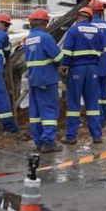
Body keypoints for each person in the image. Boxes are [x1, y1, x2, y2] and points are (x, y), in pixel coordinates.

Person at [60, 7, 104, 144]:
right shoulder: (98, 30)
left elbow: (67, 52)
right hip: (92, 69)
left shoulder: (74, 30)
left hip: (76, 69)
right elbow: (101, 49)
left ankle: (71, 137)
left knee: (73, 103)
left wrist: (64, 66)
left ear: (78, 17)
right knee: (92, 103)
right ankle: (97, 136)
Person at [23, 9, 63, 152]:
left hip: (33, 79)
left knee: (35, 112)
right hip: (46, 78)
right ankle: (49, 142)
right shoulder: (46, 38)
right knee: (49, 111)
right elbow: (58, 58)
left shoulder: (27, 39)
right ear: (45, 23)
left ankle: (38, 141)